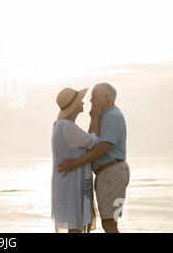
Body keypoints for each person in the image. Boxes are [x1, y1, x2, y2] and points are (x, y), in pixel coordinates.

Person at [57, 83, 130, 233]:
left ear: (106, 99)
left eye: (94, 98)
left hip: (112, 171)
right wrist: (94, 117)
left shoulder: (112, 116)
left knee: (109, 222)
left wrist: (75, 163)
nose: (90, 101)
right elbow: (90, 142)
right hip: (107, 173)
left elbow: (103, 148)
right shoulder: (104, 116)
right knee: (109, 221)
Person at [51, 87, 102, 233]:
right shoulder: (67, 126)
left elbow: (87, 140)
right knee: (75, 229)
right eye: (80, 100)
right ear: (73, 106)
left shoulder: (60, 126)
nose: (84, 103)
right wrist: (96, 117)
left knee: (74, 228)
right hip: (72, 186)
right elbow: (95, 142)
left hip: (66, 185)